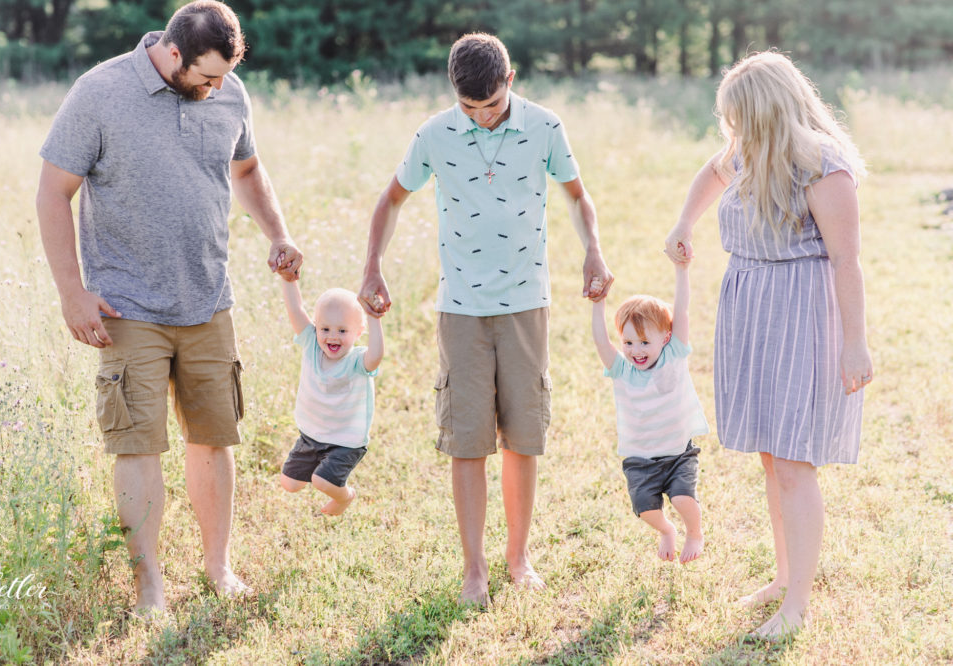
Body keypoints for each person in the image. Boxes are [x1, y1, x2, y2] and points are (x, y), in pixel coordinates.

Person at [35, 0, 302, 615]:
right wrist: (73, 293)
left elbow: (249, 168)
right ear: (173, 53)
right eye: (206, 78)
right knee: (137, 445)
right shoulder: (99, 92)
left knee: (214, 438)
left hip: (208, 298)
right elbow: (53, 193)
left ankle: (218, 567)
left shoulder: (229, 93)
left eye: (224, 77)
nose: (215, 91)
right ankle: (149, 583)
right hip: (127, 307)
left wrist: (278, 234)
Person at [358, 33, 614, 605]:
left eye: (492, 106)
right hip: (461, 311)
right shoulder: (434, 133)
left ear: (512, 81)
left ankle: (517, 557)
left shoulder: (545, 127)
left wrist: (593, 247)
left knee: (523, 439)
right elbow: (391, 199)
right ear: (456, 95)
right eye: (471, 108)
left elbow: (577, 195)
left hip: (527, 303)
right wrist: (372, 266)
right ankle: (474, 568)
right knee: (468, 442)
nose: (483, 117)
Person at [664, 51, 872, 640]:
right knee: (770, 456)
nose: (732, 131)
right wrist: (684, 224)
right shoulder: (750, 150)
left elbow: (847, 261)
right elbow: (712, 171)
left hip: (801, 313)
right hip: (750, 309)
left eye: (739, 118)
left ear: (767, 111)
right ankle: (784, 578)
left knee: (793, 463)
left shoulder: (823, 165)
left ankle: (796, 605)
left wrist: (854, 344)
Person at [590, 259, 709, 564]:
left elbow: (680, 311)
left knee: (683, 498)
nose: (636, 350)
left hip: (677, 452)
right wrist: (599, 303)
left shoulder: (674, 355)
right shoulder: (622, 370)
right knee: (645, 509)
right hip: (640, 460)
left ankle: (694, 532)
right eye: (628, 342)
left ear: (665, 339)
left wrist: (682, 270)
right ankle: (667, 530)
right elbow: (601, 340)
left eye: (645, 342)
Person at [277, 280, 384, 516]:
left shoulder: (357, 361)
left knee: (322, 481)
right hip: (313, 434)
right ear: (316, 328)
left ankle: (345, 496)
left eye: (342, 331)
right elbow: (296, 310)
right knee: (290, 483)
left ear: (358, 332)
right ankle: (322, 471)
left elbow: (376, 356)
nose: (332, 337)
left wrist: (375, 317)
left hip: (346, 440)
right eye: (325, 329)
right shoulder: (311, 345)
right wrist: (290, 280)